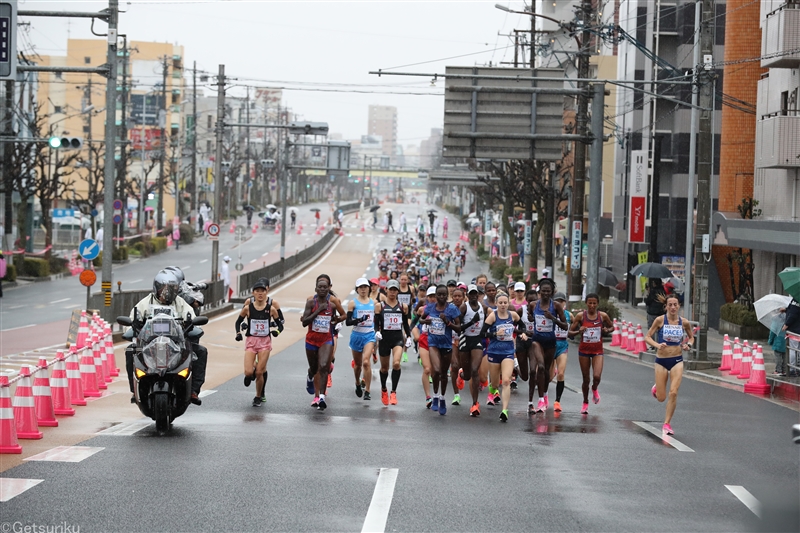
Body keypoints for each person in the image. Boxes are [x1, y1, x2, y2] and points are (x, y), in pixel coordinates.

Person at [124, 269, 200, 405]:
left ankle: (193, 391)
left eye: (171, 289)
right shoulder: (145, 303)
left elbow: (193, 319)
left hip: (177, 344)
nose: (167, 292)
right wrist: (135, 326)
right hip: (147, 345)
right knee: (131, 351)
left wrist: (191, 325)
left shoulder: (181, 303)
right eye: (164, 289)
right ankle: (134, 390)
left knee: (200, 351)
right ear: (156, 288)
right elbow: (131, 321)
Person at [644, 294, 694, 435]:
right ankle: (656, 388)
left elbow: (691, 337)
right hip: (661, 360)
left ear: (679, 306)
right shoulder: (660, 320)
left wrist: (688, 345)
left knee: (673, 392)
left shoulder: (684, 322)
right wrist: (657, 345)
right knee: (661, 398)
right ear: (666, 306)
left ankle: (666, 424)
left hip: (677, 360)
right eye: (670, 305)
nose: (673, 307)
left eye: (675, 304)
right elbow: (647, 337)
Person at [234, 278, 284, 407]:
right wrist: (239, 333)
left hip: (265, 342)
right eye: (257, 291)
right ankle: (250, 373)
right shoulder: (247, 308)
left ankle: (258, 396)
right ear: (253, 293)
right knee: (249, 372)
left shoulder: (271, 308)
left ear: (266, 292)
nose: (260, 293)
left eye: (262, 291)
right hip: (251, 341)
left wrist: (276, 332)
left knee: (260, 372)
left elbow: (281, 325)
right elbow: (238, 322)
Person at [300, 274, 346, 410]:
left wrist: (336, 320)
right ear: (316, 289)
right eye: (320, 287)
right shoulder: (310, 303)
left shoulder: (332, 304)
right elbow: (305, 322)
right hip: (312, 340)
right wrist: (319, 311)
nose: (322, 289)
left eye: (325, 287)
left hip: (326, 339)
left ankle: (321, 397)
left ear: (328, 289)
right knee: (314, 369)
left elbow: (344, 315)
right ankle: (310, 376)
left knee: (324, 366)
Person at [568, 293, 614, 414]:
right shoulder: (580, 316)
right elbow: (570, 333)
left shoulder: (602, 316)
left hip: (597, 350)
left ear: (597, 304)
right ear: (586, 303)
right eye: (590, 303)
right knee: (586, 379)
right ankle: (585, 402)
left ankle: (594, 388)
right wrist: (579, 330)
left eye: (594, 303)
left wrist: (606, 330)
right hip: (584, 351)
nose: (592, 305)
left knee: (597, 376)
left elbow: (612, 327)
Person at [419, 284, 461, 415]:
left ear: (447, 296)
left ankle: (442, 398)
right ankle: (435, 396)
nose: (441, 297)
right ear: (436, 295)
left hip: (447, 345)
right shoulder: (430, 307)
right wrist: (426, 322)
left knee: (444, 374)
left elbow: (459, 328)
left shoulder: (452, 309)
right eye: (439, 294)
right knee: (435, 370)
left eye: (444, 294)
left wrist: (447, 322)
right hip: (433, 343)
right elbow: (420, 319)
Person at [481, 292, 520, 422]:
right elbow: (483, 333)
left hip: (508, 352)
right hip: (493, 352)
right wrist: (495, 333)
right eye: (501, 303)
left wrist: (522, 334)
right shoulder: (492, 316)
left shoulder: (512, 315)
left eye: (505, 302)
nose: (503, 305)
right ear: (496, 304)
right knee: (495, 383)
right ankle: (492, 390)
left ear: (508, 303)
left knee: (506, 381)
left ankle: (504, 410)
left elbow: (522, 326)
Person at [374, 280, 411, 405]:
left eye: (395, 290)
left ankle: (393, 392)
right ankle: (384, 389)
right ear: (386, 290)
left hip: (397, 339)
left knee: (396, 364)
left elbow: (405, 324)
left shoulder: (403, 306)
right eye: (391, 289)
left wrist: (409, 336)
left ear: (398, 292)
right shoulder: (380, 306)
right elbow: (376, 322)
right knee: (384, 368)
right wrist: (376, 332)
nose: (392, 292)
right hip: (384, 339)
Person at [458, 284, 486, 416]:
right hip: (465, 339)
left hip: (476, 340)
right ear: (467, 295)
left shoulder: (483, 307)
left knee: (475, 371)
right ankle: (461, 374)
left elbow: (491, 319)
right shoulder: (464, 307)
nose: (474, 296)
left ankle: (475, 404)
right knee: (468, 375)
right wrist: (471, 322)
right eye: (471, 294)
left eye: (476, 294)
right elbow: (458, 328)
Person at [346, 278, 376, 400]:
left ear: (369, 288)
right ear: (357, 289)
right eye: (361, 287)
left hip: (369, 335)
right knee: (358, 364)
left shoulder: (374, 303)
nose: (363, 289)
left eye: (365, 287)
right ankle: (358, 383)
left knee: (366, 362)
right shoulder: (352, 303)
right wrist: (359, 320)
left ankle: (368, 390)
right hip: (356, 335)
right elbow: (348, 322)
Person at [552, 292, 571, 412]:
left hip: (562, 345)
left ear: (565, 302)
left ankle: (557, 401)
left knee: (561, 374)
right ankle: (543, 398)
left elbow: (574, 326)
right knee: (548, 377)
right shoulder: (550, 313)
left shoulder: (569, 315)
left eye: (562, 301)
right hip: (550, 345)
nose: (560, 303)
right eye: (557, 301)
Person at [783, 298, 800, 377]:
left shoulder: (796, 300)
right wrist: (786, 309)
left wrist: (786, 325)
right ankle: (797, 368)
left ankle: (792, 369)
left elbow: (793, 314)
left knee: (793, 349)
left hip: (794, 330)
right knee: (797, 350)